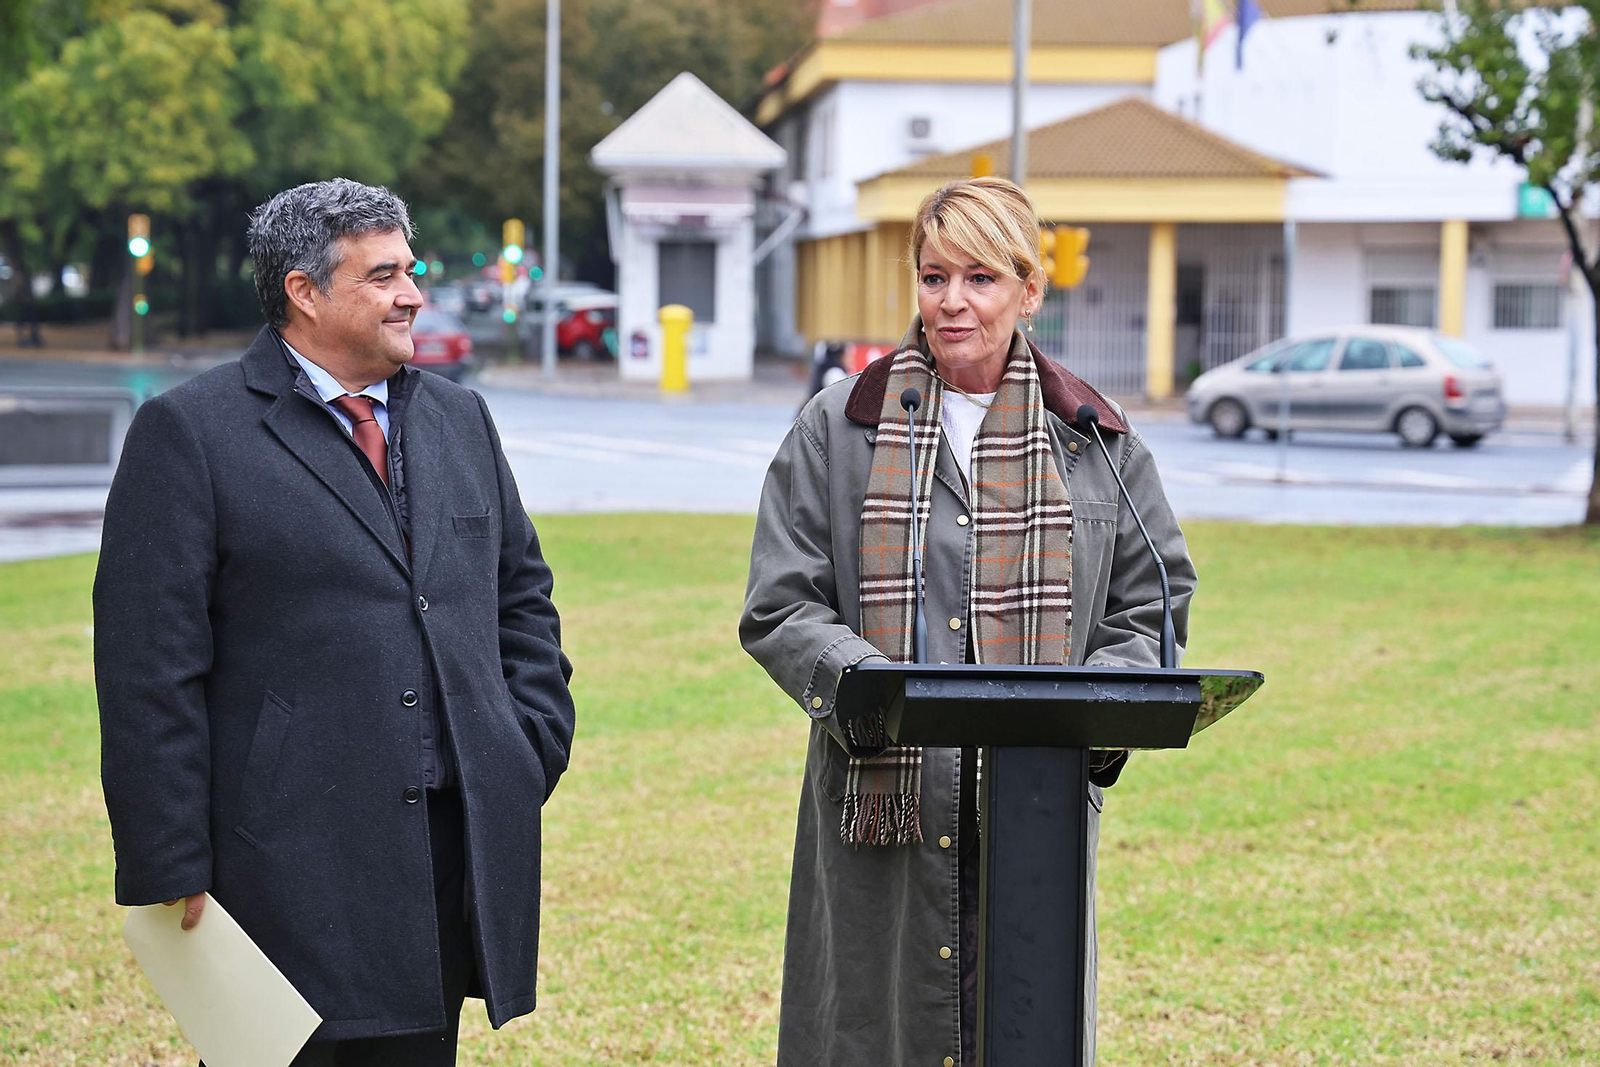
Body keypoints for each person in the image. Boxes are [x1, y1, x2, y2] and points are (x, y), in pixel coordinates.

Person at [94, 178, 576, 1065]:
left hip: (448, 845)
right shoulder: (189, 433)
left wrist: (525, 744)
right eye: (383, 275)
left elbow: (521, 597)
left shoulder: (460, 419)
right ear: (303, 292)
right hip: (283, 863)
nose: (414, 295)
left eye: (412, 269)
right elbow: (146, 667)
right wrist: (168, 855)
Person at [739, 176, 1197, 1067]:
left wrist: (1093, 723)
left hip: (1036, 809)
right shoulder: (839, 427)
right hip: (878, 815)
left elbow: (1154, 600)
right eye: (934, 275)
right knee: (872, 1032)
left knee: (1026, 1024)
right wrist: (868, 689)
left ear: (1031, 290)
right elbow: (779, 602)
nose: (952, 302)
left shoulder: (1094, 439)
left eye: (981, 278)